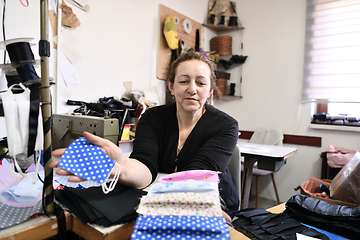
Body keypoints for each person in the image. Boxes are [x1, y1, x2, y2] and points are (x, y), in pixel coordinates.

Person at [50, 51, 240, 221]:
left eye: (200, 82)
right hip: (159, 199)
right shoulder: (152, 117)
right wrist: (123, 167)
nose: (192, 88)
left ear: (210, 91)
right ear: (171, 87)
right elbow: (146, 165)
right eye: (183, 81)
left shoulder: (226, 125)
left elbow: (198, 174)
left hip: (209, 202)